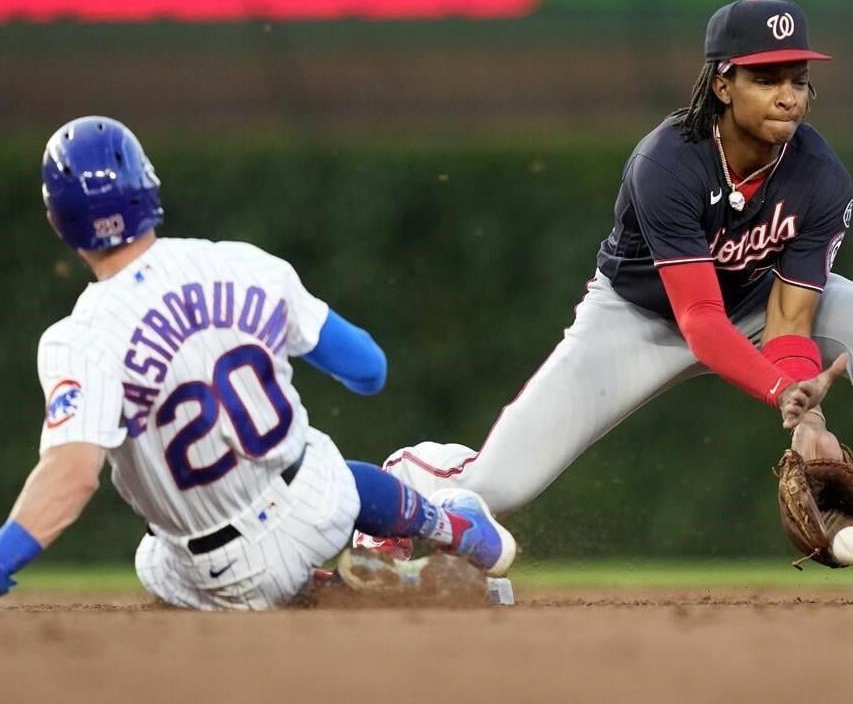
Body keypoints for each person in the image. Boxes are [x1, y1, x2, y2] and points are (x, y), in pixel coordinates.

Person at [358, 0, 853, 550]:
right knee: (496, 487)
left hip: (757, 304)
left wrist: (809, 421)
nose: (788, 96)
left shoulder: (820, 176)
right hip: (639, 318)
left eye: (798, 79)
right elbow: (700, 319)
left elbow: (789, 318)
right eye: (766, 79)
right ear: (722, 84)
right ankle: (409, 478)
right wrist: (779, 388)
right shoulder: (667, 163)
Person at [0, 116, 516, 610]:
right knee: (319, 458)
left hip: (219, 576)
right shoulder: (244, 264)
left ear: (57, 221)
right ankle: (450, 529)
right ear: (149, 189)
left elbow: (71, 476)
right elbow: (368, 369)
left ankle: (343, 590)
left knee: (153, 559)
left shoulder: (78, 339)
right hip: (317, 509)